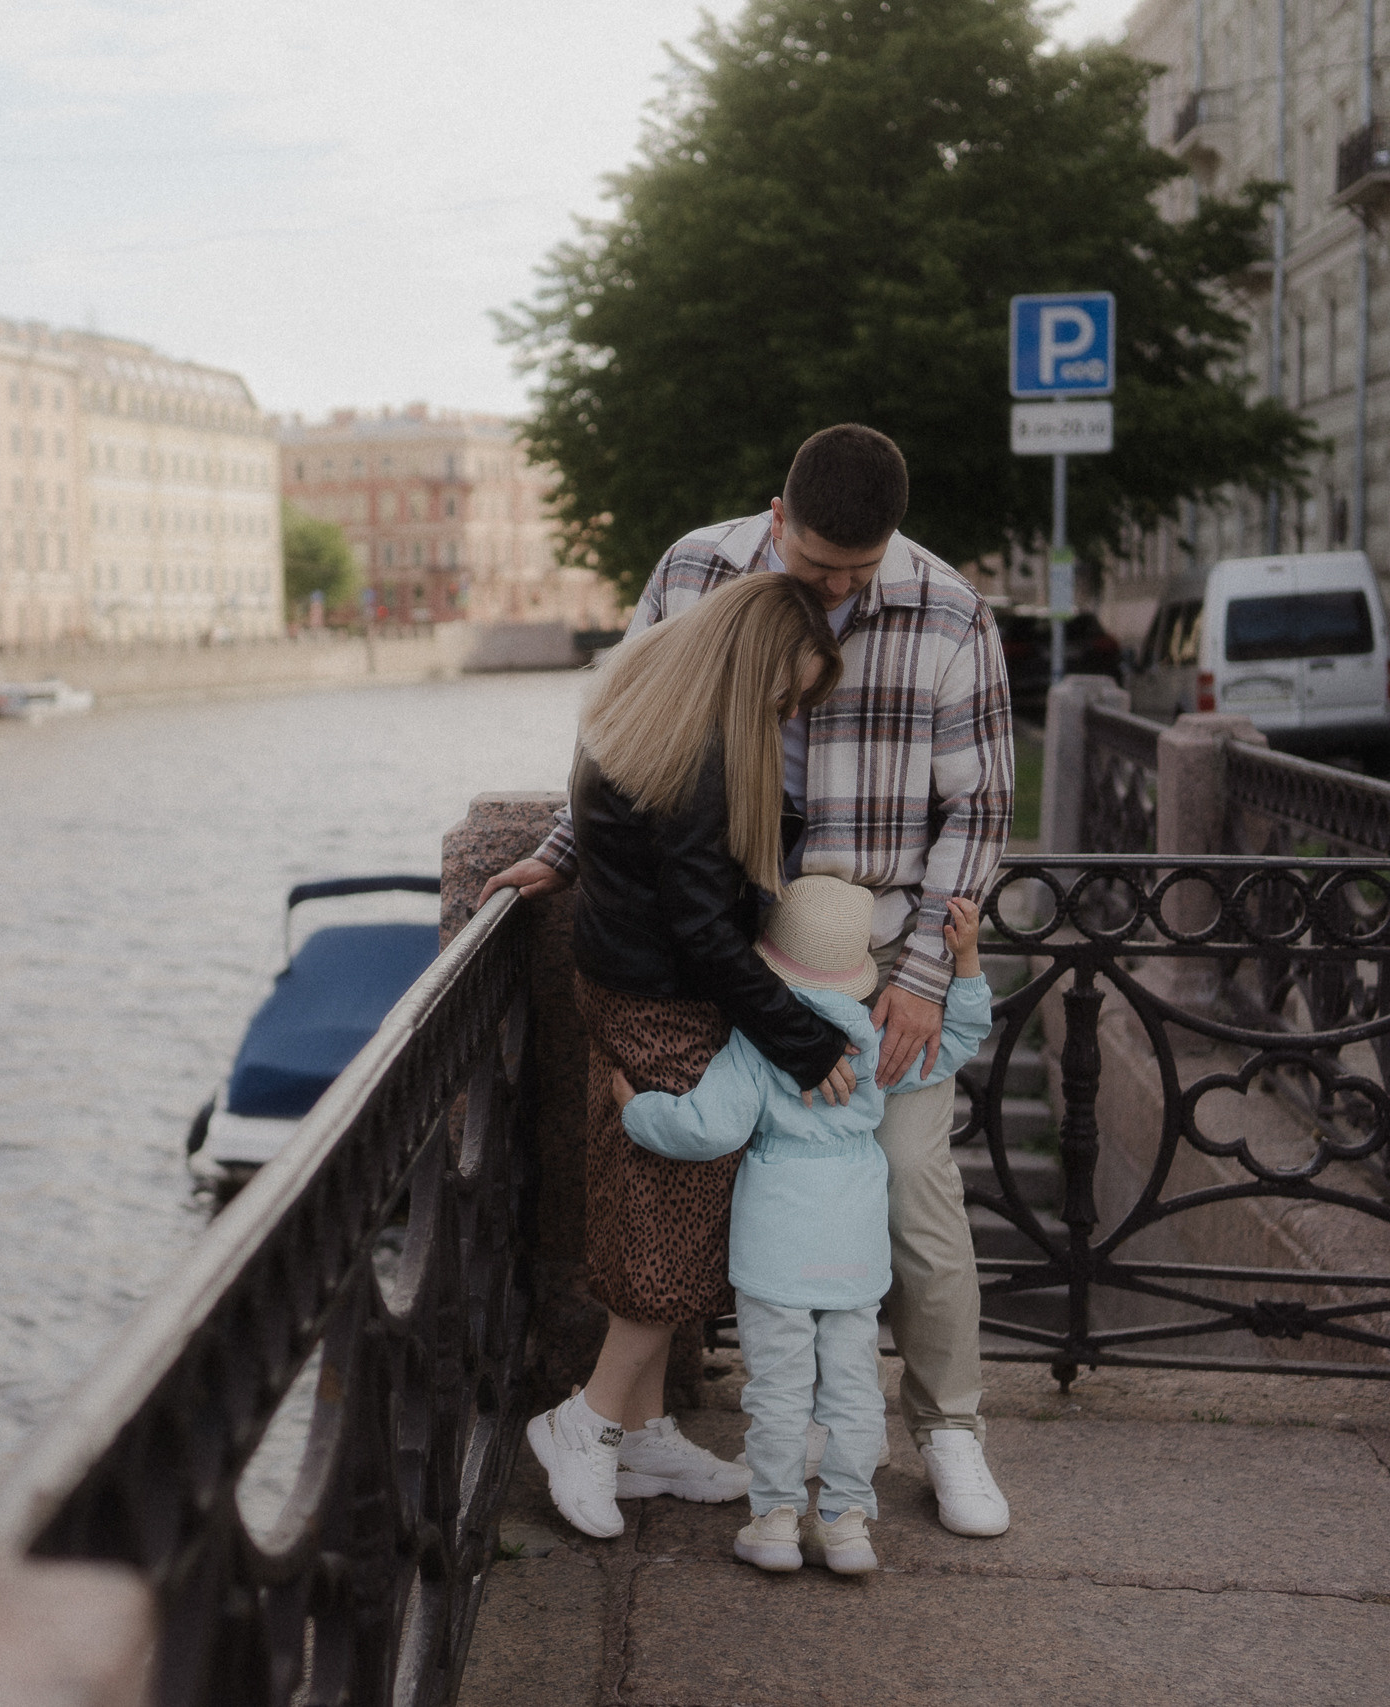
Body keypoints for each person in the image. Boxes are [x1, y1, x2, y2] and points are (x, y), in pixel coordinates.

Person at [487, 423, 1018, 1537]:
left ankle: (949, 1429)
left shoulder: (951, 612)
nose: (834, 592)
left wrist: (928, 974)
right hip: (733, 953)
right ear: (778, 519)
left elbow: (980, 811)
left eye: (857, 574)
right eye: (816, 566)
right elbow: (623, 725)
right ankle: (642, 1423)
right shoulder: (694, 568)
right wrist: (564, 851)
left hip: (876, 952)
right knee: (708, 1187)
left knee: (909, 1184)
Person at [520, 571, 855, 1539]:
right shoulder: (702, 758)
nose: (787, 718)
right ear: (748, 667)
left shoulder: (635, 715)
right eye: (785, 697)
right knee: (671, 1238)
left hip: (623, 987)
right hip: (665, 1008)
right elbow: (707, 934)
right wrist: (805, 1041)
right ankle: (585, 1424)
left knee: (649, 1221)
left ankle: (644, 1433)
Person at [615, 884, 994, 1575]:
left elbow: (707, 1128)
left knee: (778, 1390)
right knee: (853, 1389)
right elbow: (959, 1042)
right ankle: (846, 1525)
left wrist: (635, 1109)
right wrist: (965, 964)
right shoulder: (874, 1039)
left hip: (776, 1249)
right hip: (852, 1248)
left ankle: (775, 1521)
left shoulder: (757, 1045)